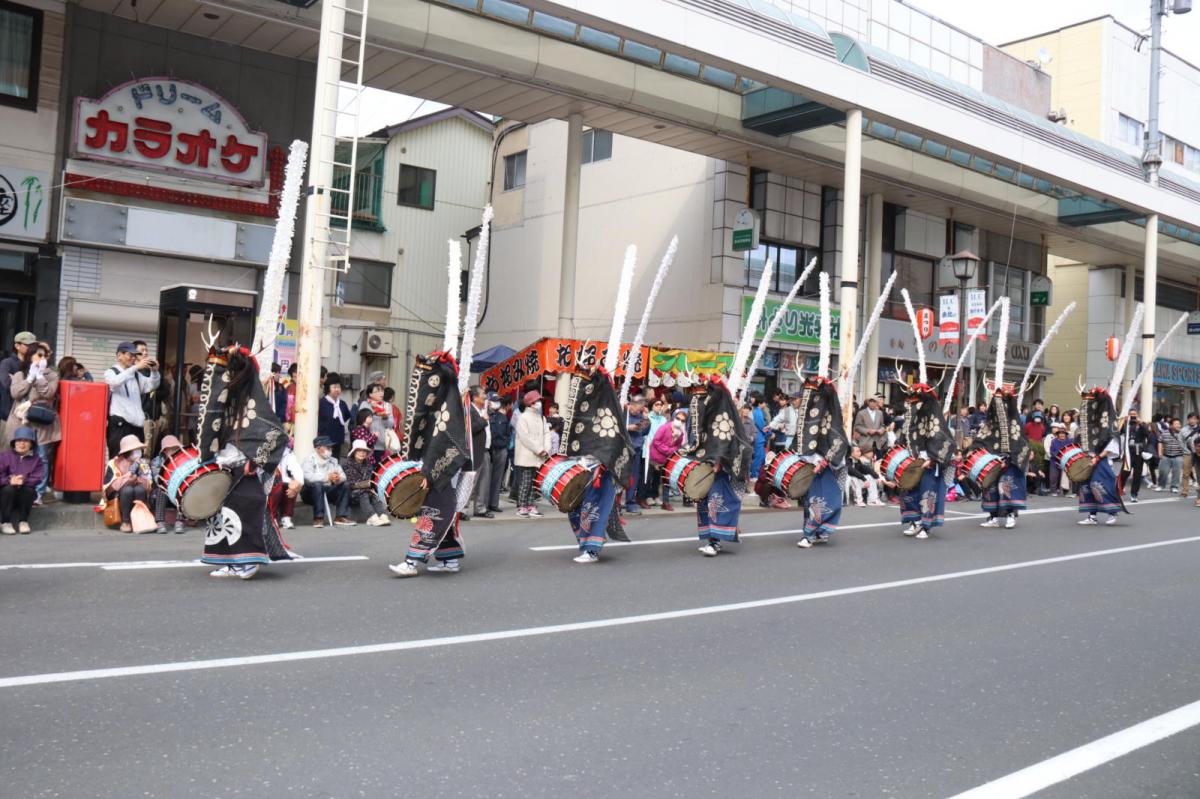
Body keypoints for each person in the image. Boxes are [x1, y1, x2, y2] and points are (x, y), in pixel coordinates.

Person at [195, 345, 294, 579]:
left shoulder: (253, 400)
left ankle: (249, 560)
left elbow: (277, 434)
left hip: (245, 467)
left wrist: (256, 461)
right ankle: (230, 562)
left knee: (244, 510)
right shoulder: (226, 399)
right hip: (225, 465)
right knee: (220, 515)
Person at [389, 351, 471, 577]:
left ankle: (411, 562)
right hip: (438, 467)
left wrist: (428, 472)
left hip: (443, 469)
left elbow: (443, 442)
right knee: (441, 513)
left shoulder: (450, 406)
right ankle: (450, 559)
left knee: (433, 514)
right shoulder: (445, 404)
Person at [557, 368, 636, 563]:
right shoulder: (584, 409)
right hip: (582, 468)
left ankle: (592, 549)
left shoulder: (607, 412)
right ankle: (586, 544)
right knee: (574, 508)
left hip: (600, 471)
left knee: (594, 508)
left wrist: (602, 462)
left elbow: (612, 443)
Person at [684, 377, 752, 557]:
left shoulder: (723, 415)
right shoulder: (707, 410)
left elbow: (724, 442)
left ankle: (715, 542)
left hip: (721, 470)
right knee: (705, 503)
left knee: (717, 502)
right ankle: (712, 538)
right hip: (706, 465)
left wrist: (718, 462)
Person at [794, 371, 849, 549]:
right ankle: (817, 532)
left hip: (825, 466)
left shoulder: (830, 415)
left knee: (820, 499)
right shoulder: (807, 416)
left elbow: (839, 442)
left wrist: (824, 462)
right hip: (810, 464)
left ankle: (810, 534)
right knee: (810, 499)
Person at [5, 340, 60, 504]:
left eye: (45, 356)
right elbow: (15, 393)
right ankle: (14, 490)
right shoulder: (19, 374)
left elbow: (48, 393)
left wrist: (40, 376)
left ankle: (37, 494)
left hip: (42, 422)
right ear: (30, 356)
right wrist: (29, 378)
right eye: (39, 355)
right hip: (21, 421)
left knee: (42, 457)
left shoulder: (52, 375)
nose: (42, 358)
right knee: (16, 456)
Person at [971, 384, 1031, 529]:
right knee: (990, 488)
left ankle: (1011, 515)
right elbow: (980, 441)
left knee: (1006, 487)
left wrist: (1009, 459)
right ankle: (993, 517)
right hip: (993, 462)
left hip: (1009, 462)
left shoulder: (1014, 423)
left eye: (1001, 404)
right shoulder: (989, 425)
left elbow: (1021, 444)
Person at [1075, 386, 1125, 526]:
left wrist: (1097, 457)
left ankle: (1112, 512)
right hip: (1087, 458)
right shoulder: (1087, 425)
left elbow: (1112, 445)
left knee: (1098, 485)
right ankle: (1092, 516)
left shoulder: (1108, 423)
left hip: (1101, 459)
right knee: (1086, 486)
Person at [104, 342, 161, 459]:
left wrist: (154, 372)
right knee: (118, 460)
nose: (134, 358)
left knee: (136, 462)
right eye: (130, 355)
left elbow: (150, 386)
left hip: (136, 426)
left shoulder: (135, 374)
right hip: (120, 426)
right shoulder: (111, 372)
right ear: (119, 355)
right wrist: (136, 367)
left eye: (135, 356)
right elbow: (114, 382)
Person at [102, 434, 152, 533]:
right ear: (127, 452)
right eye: (135, 450)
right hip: (119, 493)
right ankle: (126, 521)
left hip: (138, 490)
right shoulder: (114, 463)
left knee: (140, 489)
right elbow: (110, 486)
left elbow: (149, 483)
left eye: (139, 449)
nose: (138, 452)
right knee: (128, 490)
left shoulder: (143, 463)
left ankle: (138, 520)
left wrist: (138, 479)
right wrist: (127, 478)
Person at [513, 389, 550, 518]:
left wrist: (546, 448)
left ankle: (530, 505)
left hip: (539, 455)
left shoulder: (541, 417)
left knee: (534, 482)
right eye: (537, 400)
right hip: (527, 455)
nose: (539, 402)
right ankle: (522, 506)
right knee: (526, 482)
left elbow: (547, 434)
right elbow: (525, 438)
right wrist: (540, 449)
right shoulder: (523, 417)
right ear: (531, 403)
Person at [0, 426, 43, 534]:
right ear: (14, 443)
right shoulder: (5, 456)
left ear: (31, 444)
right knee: (8, 489)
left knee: (28, 490)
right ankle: (5, 522)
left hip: (24, 495)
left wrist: (24, 480)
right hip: (5, 495)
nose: (22, 444)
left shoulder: (37, 459)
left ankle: (23, 521)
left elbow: (38, 477)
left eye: (26, 441)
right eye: (19, 440)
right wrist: (10, 480)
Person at [302, 435, 352, 528]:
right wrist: (327, 478)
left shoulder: (333, 460)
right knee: (317, 484)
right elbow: (308, 477)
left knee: (345, 484)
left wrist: (337, 479)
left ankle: (340, 516)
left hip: (328, 490)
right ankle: (318, 518)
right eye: (327, 447)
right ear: (318, 448)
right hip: (311, 493)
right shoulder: (309, 460)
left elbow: (343, 476)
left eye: (330, 447)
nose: (330, 449)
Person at [341, 439, 390, 526]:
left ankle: (382, 514)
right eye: (359, 451)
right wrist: (368, 485)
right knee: (364, 492)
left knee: (374, 493)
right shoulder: (347, 464)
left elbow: (371, 479)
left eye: (364, 451)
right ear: (354, 452)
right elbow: (351, 484)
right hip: (351, 493)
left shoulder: (368, 464)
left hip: (366, 490)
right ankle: (372, 517)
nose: (362, 453)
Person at [648, 408, 687, 512]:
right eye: (678, 418)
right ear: (674, 418)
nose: (680, 421)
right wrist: (669, 450)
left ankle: (665, 502)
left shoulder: (681, 433)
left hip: (667, 459)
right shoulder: (664, 428)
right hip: (656, 457)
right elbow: (656, 441)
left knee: (666, 480)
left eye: (683, 420)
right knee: (651, 479)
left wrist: (672, 450)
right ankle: (645, 497)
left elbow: (678, 446)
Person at [149, 435, 186, 534]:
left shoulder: (182, 459)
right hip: (162, 492)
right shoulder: (157, 461)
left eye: (176, 448)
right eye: (172, 449)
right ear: (165, 451)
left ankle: (179, 521)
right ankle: (160, 522)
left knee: (182, 488)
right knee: (162, 488)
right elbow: (158, 479)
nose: (175, 451)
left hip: (176, 492)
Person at [465, 386, 493, 520]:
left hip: (485, 450)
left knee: (483, 481)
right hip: (474, 451)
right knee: (470, 481)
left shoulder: (483, 410)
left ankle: (480, 508)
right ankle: (463, 510)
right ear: (475, 397)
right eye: (483, 393)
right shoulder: (468, 410)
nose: (485, 396)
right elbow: (470, 429)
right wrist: (483, 420)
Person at [637, 397, 669, 507]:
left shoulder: (663, 419)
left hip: (660, 451)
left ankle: (654, 495)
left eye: (660, 404)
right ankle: (643, 497)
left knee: (657, 476)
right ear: (652, 406)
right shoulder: (647, 417)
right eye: (656, 404)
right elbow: (644, 434)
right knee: (646, 475)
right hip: (648, 450)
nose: (659, 406)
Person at [269, 441, 304, 531]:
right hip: (265, 481)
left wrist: (298, 482)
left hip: (281, 480)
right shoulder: (263, 450)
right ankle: (271, 517)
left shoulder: (287, 452)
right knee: (278, 486)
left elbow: (296, 468)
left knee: (292, 484)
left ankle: (286, 517)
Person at [485, 394, 511, 514]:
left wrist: (505, 444)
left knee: (497, 478)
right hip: (489, 450)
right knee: (486, 478)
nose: (497, 403)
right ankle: (484, 505)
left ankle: (493, 504)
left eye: (498, 401)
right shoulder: (485, 415)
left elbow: (507, 433)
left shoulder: (503, 417)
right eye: (494, 401)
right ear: (488, 402)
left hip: (501, 449)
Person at [0, 331, 34, 423]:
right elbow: (7, 386)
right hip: (9, 414)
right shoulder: (7, 363)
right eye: (28, 345)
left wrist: (15, 379)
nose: (31, 348)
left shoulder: (34, 364)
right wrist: (28, 382)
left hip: (30, 415)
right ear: (17, 346)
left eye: (33, 345)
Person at [624, 396, 649, 514]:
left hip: (637, 448)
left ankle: (630, 502)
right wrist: (629, 427)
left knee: (634, 476)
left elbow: (645, 431)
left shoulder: (641, 414)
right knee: (621, 476)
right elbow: (617, 427)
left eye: (641, 409)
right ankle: (616, 504)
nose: (638, 411)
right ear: (632, 404)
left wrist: (646, 420)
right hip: (625, 449)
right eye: (638, 408)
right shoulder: (623, 412)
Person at [317, 373, 351, 458]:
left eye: (338, 387)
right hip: (324, 440)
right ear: (328, 388)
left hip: (338, 439)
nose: (337, 390)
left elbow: (346, 416)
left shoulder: (342, 404)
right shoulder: (322, 403)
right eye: (334, 387)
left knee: (335, 461)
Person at [1119, 411, 1149, 504]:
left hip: (1139, 453)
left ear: (1137, 415)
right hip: (1128, 453)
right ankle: (1120, 490)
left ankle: (1134, 494)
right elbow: (1118, 432)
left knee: (1137, 475)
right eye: (1131, 414)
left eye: (1134, 415)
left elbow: (1147, 433)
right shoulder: (1126, 425)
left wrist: (1140, 423)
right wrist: (1123, 421)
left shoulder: (1142, 425)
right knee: (1125, 472)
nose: (1133, 416)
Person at [1157, 417, 1186, 493]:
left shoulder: (1182, 433)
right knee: (1163, 471)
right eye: (1176, 424)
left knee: (1176, 472)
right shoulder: (1164, 432)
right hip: (1166, 455)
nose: (1178, 425)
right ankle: (1161, 485)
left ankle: (1174, 486)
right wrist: (1159, 452)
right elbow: (1160, 441)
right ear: (1171, 425)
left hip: (1178, 455)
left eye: (1179, 424)